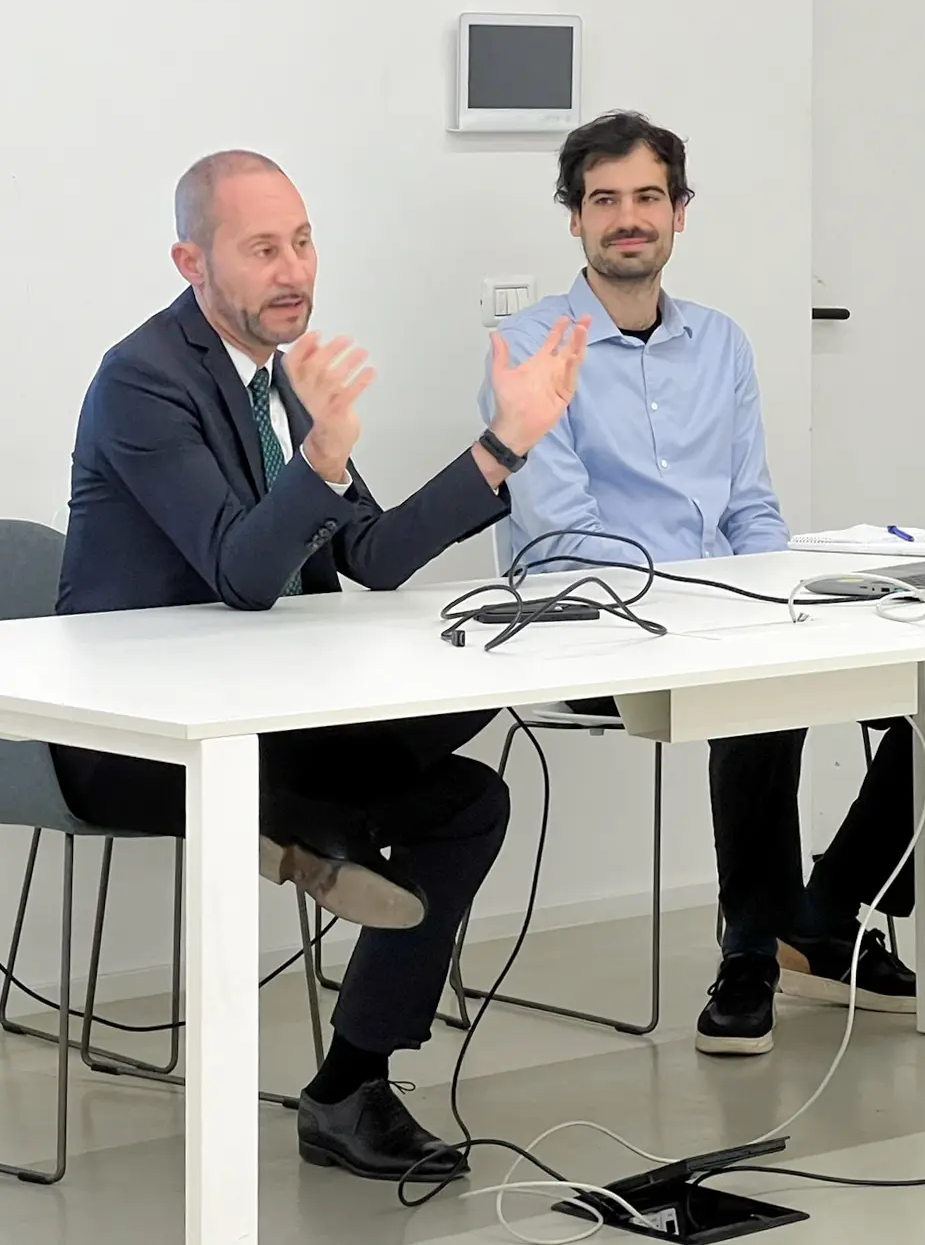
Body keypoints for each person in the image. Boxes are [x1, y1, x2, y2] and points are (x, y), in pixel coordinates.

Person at [56, 150, 589, 1181]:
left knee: (470, 785)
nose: (294, 269)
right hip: (137, 736)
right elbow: (241, 571)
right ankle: (308, 827)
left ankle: (346, 1087)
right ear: (191, 262)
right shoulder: (142, 381)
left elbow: (369, 554)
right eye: (262, 249)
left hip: (269, 712)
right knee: (377, 769)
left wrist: (504, 444)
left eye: (302, 242)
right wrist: (320, 460)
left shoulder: (282, 378)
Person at [486, 110, 925, 1057]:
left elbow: (750, 508)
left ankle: (828, 907)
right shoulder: (530, 349)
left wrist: (780, 592)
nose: (627, 218)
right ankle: (751, 951)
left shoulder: (722, 343)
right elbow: (563, 535)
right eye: (604, 200)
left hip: (727, 607)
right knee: (757, 688)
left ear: (679, 212)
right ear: (575, 217)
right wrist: (727, 611)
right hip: (591, 624)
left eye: (647, 197)